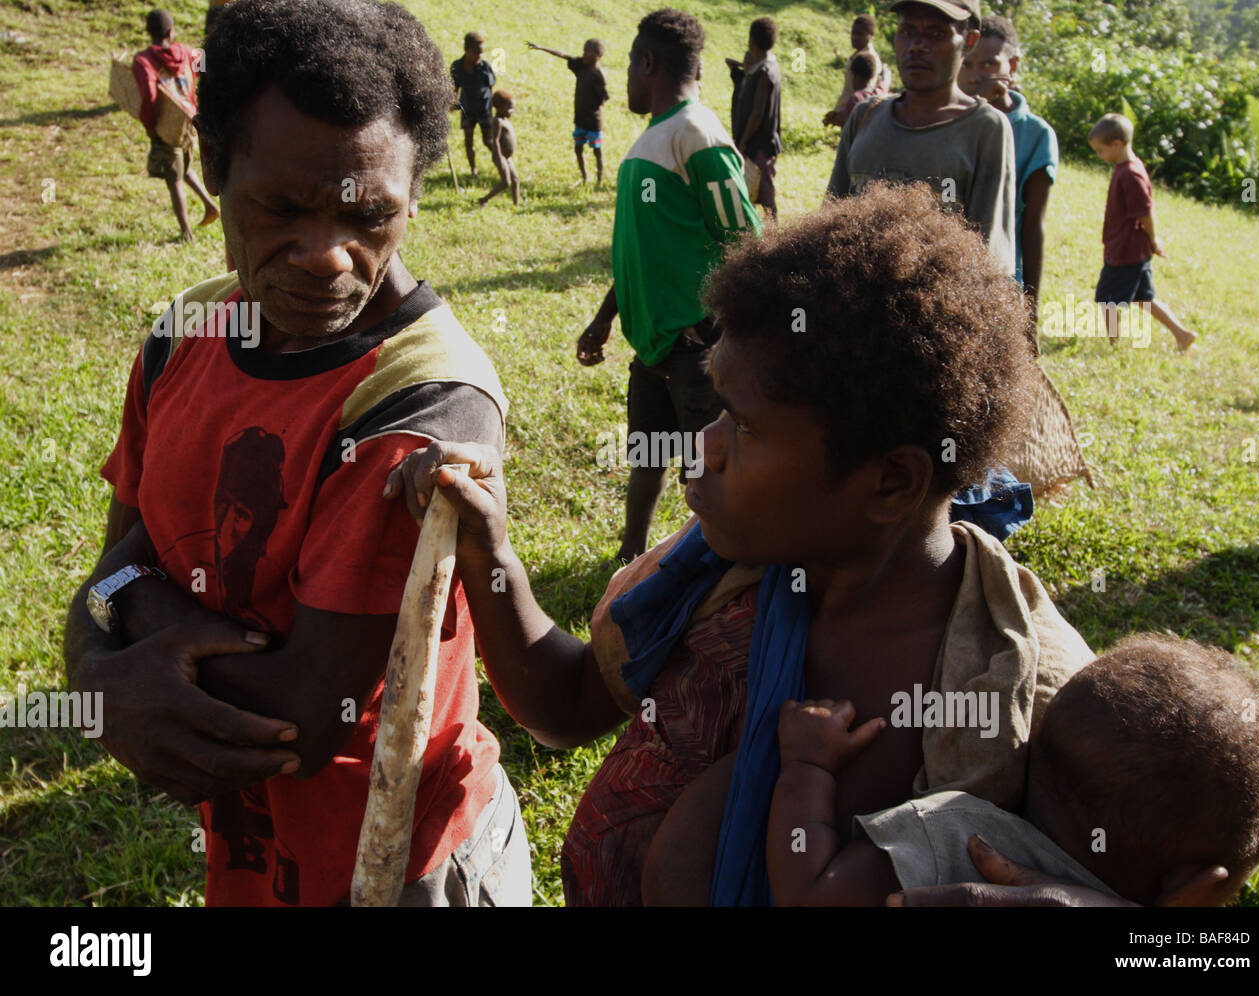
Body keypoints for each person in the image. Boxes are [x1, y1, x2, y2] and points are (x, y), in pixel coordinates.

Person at [384, 186, 1109, 907]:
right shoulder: (711, 575)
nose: (702, 449)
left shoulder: (1026, 700)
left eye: (745, 427)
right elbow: (566, 707)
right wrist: (490, 553)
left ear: (891, 483)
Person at [64, 0, 529, 908]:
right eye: (280, 207)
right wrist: (92, 666)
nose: (326, 257)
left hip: (400, 865)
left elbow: (301, 719)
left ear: (414, 194)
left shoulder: (426, 407)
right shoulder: (188, 331)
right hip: (255, 856)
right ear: (211, 169)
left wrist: (121, 623)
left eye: (371, 217)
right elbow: (122, 555)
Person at [766, 635, 1259, 906]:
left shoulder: (954, 836)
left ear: (1030, 743)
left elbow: (810, 895)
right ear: (1197, 891)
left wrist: (808, 766)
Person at [575, 8, 760, 566]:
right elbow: (642, 254)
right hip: (652, 347)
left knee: (706, 468)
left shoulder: (696, 132)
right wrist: (606, 315)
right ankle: (632, 555)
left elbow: (744, 240)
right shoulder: (651, 141)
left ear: (647, 62)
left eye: (631, 66)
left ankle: (719, 570)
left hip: (693, 348)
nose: (626, 80)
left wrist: (715, 332)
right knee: (647, 454)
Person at [826, 0, 1017, 277]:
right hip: (852, 311)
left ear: (970, 41)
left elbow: (989, 261)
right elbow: (827, 225)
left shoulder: (986, 129)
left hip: (935, 314)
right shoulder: (866, 116)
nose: (917, 45)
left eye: (936, 33)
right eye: (908, 31)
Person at [958, 14, 1057, 332]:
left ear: (1011, 67)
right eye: (967, 65)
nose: (975, 77)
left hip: (998, 283)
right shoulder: (946, 119)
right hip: (942, 276)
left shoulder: (1035, 135)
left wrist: (1030, 310)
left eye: (988, 65)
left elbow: (1032, 226)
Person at [1088, 113, 1198, 351]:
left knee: (1107, 298)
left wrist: (1154, 240)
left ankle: (1113, 344)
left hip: (1126, 250)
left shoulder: (1130, 174)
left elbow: (1145, 212)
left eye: (1100, 150)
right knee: (1143, 298)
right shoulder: (1128, 167)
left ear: (1117, 144)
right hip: (1132, 249)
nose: (1099, 156)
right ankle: (1182, 334)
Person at [132, 8, 220, 242]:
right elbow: (203, 59)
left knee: (174, 180)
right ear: (171, 31)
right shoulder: (186, 52)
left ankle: (186, 233)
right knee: (185, 167)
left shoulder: (144, 61)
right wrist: (201, 80)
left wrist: (150, 125)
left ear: (148, 32)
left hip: (167, 127)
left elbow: (150, 97)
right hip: (189, 122)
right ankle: (210, 206)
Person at [528, 38, 609, 186]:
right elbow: (563, 55)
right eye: (583, 51)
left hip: (593, 121)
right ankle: (585, 177)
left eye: (587, 52)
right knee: (578, 149)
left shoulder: (599, 74)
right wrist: (541, 47)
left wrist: (593, 104)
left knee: (597, 151)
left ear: (597, 55)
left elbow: (604, 97)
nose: (583, 54)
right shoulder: (581, 66)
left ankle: (599, 179)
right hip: (579, 119)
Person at [727, 17, 782, 221]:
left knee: (765, 196)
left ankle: (773, 237)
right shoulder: (764, 67)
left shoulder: (764, 73)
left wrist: (742, 142)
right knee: (751, 191)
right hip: (757, 143)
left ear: (752, 41)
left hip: (758, 145)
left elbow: (757, 114)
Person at [823, 14, 891, 127]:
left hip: (856, 116)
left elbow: (866, 95)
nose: (854, 37)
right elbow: (848, 90)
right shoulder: (857, 55)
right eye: (853, 33)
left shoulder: (869, 59)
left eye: (859, 34)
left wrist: (842, 117)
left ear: (871, 35)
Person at [450, 32, 496, 180]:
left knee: (488, 141)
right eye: (476, 52)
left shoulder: (485, 67)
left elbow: (491, 88)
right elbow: (454, 88)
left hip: (484, 108)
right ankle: (473, 170)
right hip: (467, 108)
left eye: (481, 52)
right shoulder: (457, 67)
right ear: (466, 49)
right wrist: (452, 103)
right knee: (468, 140)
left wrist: (492, 107)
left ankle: (502, 164)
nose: (479, 56)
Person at [478, 91, 520, 207]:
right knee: (505, 182)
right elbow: (495, 140)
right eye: (509, 108)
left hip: (507, 157)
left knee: (515, 180)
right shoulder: (498, 121)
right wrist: (499, 157)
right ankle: (484, 199)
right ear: (499, 107)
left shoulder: (505, 120)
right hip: (500, 156)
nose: (512, 111)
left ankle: (516, 205)